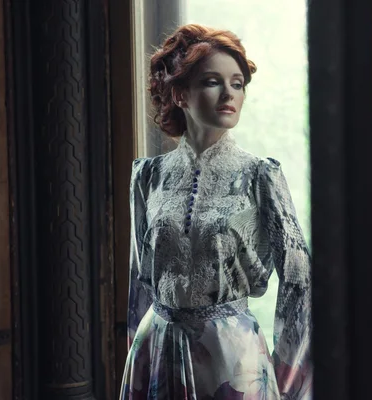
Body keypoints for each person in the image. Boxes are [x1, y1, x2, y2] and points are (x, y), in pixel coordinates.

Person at [120, 23, 312, 399]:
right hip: (156, 348)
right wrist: (137, 357)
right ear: (179, 93)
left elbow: (299, 281)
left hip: (233, 356)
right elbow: (140, 280)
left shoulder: (260, 176)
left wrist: (285, 378)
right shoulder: (148, 177)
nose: (229, 94)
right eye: (212, 81)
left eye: (238, 83)